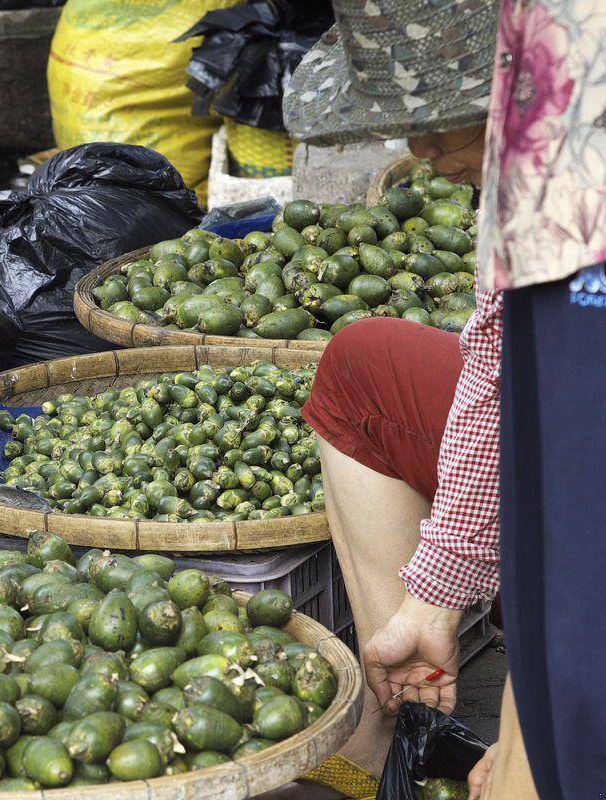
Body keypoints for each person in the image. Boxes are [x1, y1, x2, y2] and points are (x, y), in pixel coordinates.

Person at [282, 1, 548, 798]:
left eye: (445, 121)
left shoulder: (568, 188)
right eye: (411, 122)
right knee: (364, 364)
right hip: (564, 444)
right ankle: (396, 728)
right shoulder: (523, 179)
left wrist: (526, 734)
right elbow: (496, 379)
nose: (421, 152)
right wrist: (433, 595)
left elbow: (569, 467)